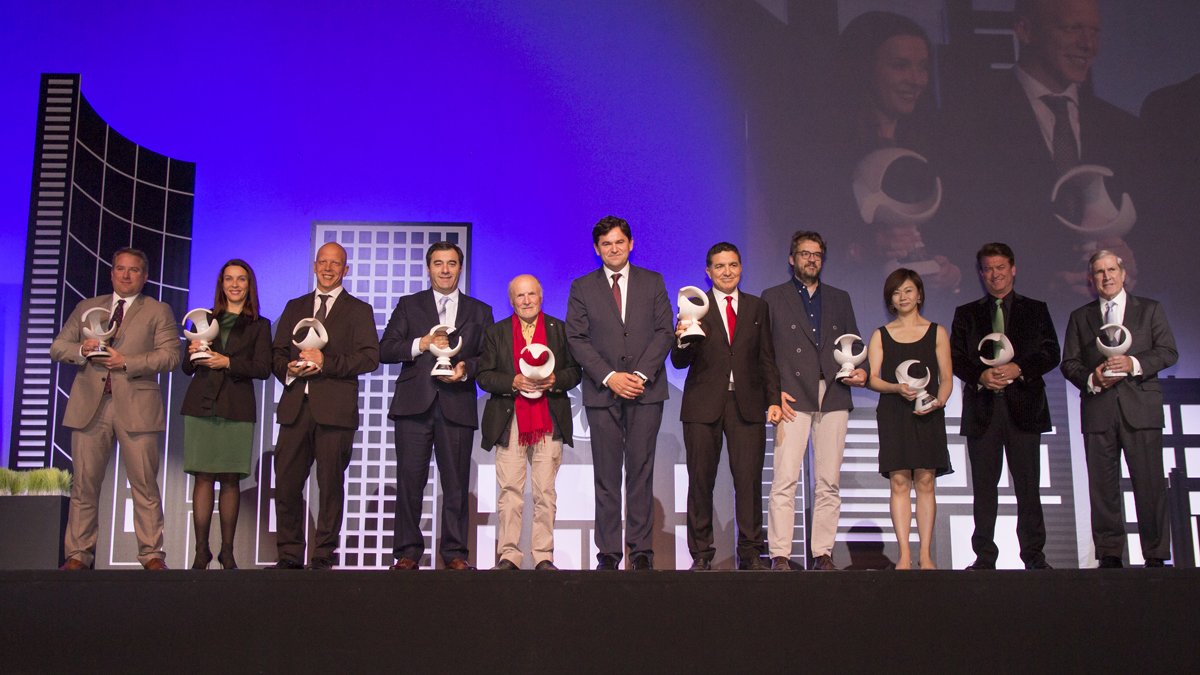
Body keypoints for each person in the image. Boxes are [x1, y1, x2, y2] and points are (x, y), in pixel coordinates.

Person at [943, 0, 1141, 315]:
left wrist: (1132, 264)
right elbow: (960, 232)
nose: (1087, 44)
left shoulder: (1123, 128)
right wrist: (1042, 281)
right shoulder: (970, 121)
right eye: (1072, 28)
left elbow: (1156, 230)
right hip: (1014, 329)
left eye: (1094, 31)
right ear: (1025, 30)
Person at [50, 247, 181, 570]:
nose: (125, 275)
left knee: (145, 485)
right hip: (90, 406)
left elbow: (171, 356)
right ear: (111, 273)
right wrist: (82, 348)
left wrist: (128, 362)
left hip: (137, 405)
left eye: (133, 270)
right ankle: (78, 554)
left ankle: (151, 554)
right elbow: (57, 347)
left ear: (145, 276)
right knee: (84, 485)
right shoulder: (87, 307)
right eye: (120, 269)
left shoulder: (157, 310)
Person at [566, 215, 674, 570]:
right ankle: (609, 553)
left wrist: (639, 374)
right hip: (603, 392)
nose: (613, 248)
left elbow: (664, 332)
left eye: (619, 242)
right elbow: (576, 338)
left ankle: (641, 551)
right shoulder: (582, 287)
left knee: (641, 472)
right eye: (606, 244)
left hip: (647, 391)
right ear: (597, 249)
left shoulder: (653, 281)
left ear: (631, 244)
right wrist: (610, 376)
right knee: (607, 476)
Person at [829, 11, 960, 296]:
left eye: (923, 67)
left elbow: (957, 233)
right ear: (864, 68)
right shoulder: (828, 151)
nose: (916, 80)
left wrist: (951, 272)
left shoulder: (937, 144)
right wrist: (866, 250)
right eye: (901, 66)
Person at [1060, 250, 1177, 568]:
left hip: (1141, 409)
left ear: (1124, 274)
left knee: (1150, 483)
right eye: (1099, 272)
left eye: (1112, 270)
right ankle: (1110, 553)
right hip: (1099, 411)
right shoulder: (1080, 317)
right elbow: (1069, 363)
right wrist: (1092, 378)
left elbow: (1168, 352)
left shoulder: (1149, 310)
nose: (1106, 276)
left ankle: (1155, 552)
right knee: (1102, 486)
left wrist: (1133, 363)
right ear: (1090, 279)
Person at [381, 241, 493, 570]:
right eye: (439, 263)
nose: (445, 269)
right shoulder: (409, 305)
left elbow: (487, 357)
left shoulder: (479, 310)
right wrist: (422, 343)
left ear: (461, 267)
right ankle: (407, 552)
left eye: (452, 263)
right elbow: (386, 349)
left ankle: (455, 553)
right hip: (414, 405)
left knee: (456, 483)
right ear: (428, 267)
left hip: (456, 404)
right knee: (409, 481)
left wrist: (465, 370)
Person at [671, 243, 781, 571]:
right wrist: (682, 337)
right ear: (708, 271)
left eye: (733, 265)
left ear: (741, 267)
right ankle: (702, 553)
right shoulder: (693, 305)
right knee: (701, 480)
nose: (727, 271)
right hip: (703, 404)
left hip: (746, 405)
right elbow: (678, 361)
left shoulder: (757, 307)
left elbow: (767, 358)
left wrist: (773, 399)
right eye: (720, 266)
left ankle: (750, 552)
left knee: (748, 482)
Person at [950, 243, 1060, 570]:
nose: (994, 274)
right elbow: (955, 358)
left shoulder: (1035, 309)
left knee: (1028, 488)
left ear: (1013, 269)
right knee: (984, 489)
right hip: (983, 410)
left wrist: (1019, 368)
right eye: (988, 268)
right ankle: (984, 557)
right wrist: (981, 375)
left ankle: (1034, 556)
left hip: (1024, 409)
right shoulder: (967, 313)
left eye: (1000, 267)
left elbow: (1051, 352)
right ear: (980, 273)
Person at [270, 242, 379, 570]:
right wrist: (287, 369)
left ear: (346, 270)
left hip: (335, 412)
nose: (328, 268)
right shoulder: (294, 306)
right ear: (315, 265)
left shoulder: (359, 310)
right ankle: (289, 555)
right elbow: (276, 353)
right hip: (295, 409)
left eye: (336, 264)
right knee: (287, 483)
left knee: (330, 486)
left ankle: (323, 555)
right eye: (323, 262)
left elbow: (369, 357)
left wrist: (326, 361)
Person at [762, 231, 868, 571]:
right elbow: (764, 352)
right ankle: (780, 553)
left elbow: (853, 345)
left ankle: (822, 552)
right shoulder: (773, 297)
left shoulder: (839, 297)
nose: (811, 259)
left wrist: (861, 371)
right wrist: (773, 390)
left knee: (828, 480)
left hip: (833, 391)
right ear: (792, 259)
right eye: (805, 254)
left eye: (817, 254)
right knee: (785, 478)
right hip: (792, 392)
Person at [476, 274, 581, 571]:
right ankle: (509, 555)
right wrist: (513, 381)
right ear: (511, 300)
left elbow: (575, 372)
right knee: (510, 490)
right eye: (520, 296)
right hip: (510, 420)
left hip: (549, 418)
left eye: (531, 294)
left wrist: (555, 380)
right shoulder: (496, 332)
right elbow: (484, 375)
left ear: (541, 296)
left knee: (545, 492)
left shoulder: (559, 330)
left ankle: (543, 556)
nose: (526, 301)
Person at [179, 259, 272, 570]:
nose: (235, 284)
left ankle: (228, 552)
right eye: (229, 279)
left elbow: (262, 368)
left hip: (236, 407)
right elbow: (185, 366)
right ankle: (201, 551)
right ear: (221, 284)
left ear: (249, 284)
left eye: (241, 279)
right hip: (201, 406)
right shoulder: (203, 318)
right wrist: (194, 355)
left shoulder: (260, 325)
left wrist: (227, 362)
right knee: (203, 477)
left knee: (230, 479)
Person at [866, 268, 953, 570]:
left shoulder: (937, 332)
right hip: (894, 411)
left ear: (919, 295)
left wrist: (937, 402)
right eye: (896, 292)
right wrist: (895, 388)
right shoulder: (881, 334)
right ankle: (904, 554)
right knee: (900, 482)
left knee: (926, 481)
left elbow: (946, 378)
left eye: (907, 291)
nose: (902, 297)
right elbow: (873, 379)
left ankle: (925, 554)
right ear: (890, 299)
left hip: (927, 413)